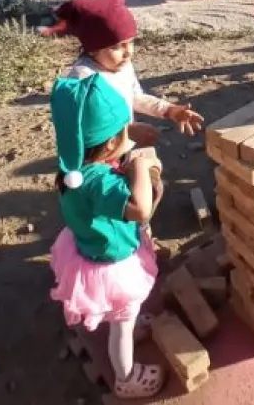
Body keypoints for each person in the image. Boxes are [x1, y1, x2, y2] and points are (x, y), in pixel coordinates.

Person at [47, 74, 165, 399]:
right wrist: (141, 168)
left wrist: (127, 139)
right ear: (110, 143)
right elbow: (141, 209)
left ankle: (130, 322)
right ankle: (126, 377)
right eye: (124, 131)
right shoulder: (99, 181)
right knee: (121, 326)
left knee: (125, 314)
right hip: (113, 266)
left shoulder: (74, 165)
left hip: (89, 247)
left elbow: (108, 153)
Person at [39, 0, 204, 148]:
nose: (128, 52)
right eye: (117, 46)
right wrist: (126, 131)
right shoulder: (83, 78)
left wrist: (170, 110)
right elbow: (84, 124)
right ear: (93, 49)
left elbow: (134, 97)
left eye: (131, 42)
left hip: (121, 148)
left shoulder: (123, 67)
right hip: (97, 157)